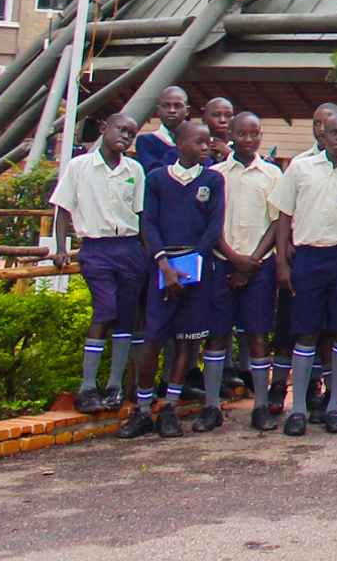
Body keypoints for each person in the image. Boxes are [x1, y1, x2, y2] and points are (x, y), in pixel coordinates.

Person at [122, 119, 227, 437]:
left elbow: (213, 226)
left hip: (195, 266)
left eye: (208, 142)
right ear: (180, 145)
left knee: (187, 341)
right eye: (199, 142)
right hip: (162, 266)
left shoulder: (213, 180)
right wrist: (165, 266)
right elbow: (149, 224)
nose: (206, 147)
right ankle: (142, 411)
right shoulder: (156, 179)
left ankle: (169, 407)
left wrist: (192, 262)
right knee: (153, 339)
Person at [267, 111, 337, 436]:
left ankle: (335, 407)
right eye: (334, 133)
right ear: (322, 135)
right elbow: (284, 213)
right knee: (305, 333)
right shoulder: (300, 167)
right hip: (307, 258)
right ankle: (297, 409)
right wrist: (282, 260)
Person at [51, 113, 148, 415]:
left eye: (131, 134)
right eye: (121, 129)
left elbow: (141, 215)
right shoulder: (79, 167)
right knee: (104, 311)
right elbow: (63, 208)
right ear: (105, 128)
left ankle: (114, 386)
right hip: (96, 249)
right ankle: (87, 387)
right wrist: (60, 249)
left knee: (125, 318)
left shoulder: (134, 169)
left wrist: (147, 254)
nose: (125, 137)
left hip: (129, 249)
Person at [218, 112, 287, 428]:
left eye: (254, 133)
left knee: (258, 333)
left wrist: (251, 262)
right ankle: (210, 405)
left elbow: (277, 222)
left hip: (260, 265)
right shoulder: (217, 174)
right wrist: (233, 258)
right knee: (218, 333)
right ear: (231, 134)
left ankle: (260, 404)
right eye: (242, 133)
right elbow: (211, 224)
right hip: (222, 262)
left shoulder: (272, 174)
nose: (248, 139)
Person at [132, 87, 189, 173]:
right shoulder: (146, 141)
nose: (171, 110)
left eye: (178, 106)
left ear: (187, 110)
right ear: (158, 110)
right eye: (165, 106)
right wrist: (180, 146)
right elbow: (152, 173)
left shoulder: (200, 139)